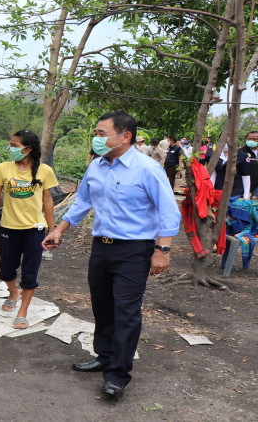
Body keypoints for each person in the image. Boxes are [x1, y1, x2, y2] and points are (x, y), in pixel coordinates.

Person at [42, 111, 180, 400]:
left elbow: (169, 211)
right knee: (102, 306)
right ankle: (104, 356)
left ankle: (117, 374)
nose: (97, 138)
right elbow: (83, 201)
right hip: (101, 247)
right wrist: (60, 229)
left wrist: (162, 250)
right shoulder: (97, 167)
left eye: (102, 133)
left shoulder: (147, 169)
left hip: (134, 249)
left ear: (125, 136)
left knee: (126, 311)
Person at [0, 129, 58, 330]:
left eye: (15, 146)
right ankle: (13, 292)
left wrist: (52, 230)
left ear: (28, 149)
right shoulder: (3, 168)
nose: (11, 149)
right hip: (9, 227)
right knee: (6, 270)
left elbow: (47, 200)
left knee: (30, 272)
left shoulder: (45, 171)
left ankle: (22, 311)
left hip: (35, 229)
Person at [238, 130, 258, 196]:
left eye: (254, 139)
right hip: (243, 185)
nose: (251, 141)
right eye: (249, 139)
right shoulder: (240, 152)